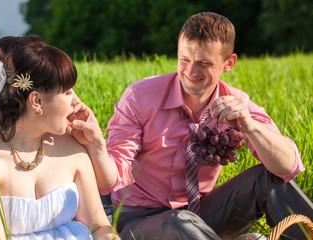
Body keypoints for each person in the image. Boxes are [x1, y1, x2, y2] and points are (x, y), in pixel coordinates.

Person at [70, 12, 313, 239]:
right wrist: (97, 145)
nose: (191, 71)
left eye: (204, 63)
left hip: (203, 216)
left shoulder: (235, 103)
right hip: (139, 220)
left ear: (228, 63)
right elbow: (111, 179)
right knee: (180, 220)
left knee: (269, 180)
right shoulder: (141, 97)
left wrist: (250, 126)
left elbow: (288, 166)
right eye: (184, 59)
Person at [0, 35, 119, 240]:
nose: (76, 102)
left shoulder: (73, 147)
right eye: (67, 92)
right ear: (36, 101)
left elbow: (99, 225)